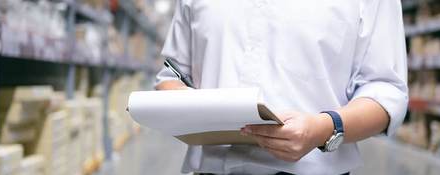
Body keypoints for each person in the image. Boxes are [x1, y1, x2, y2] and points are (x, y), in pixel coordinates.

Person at [155, 0, 408, 174]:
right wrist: (184, 104)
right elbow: (172, 73)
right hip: (210, 171)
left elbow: (385, 90)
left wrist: (322, 129)